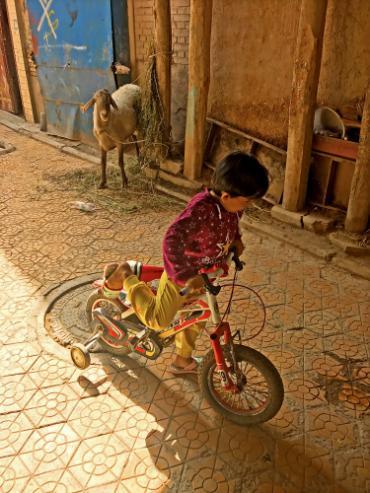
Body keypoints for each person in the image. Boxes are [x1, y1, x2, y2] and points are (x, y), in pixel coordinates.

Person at [103, 151, 269, 374]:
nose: (247, 207)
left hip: (206, 275)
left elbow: (231, 225)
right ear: (227, 196)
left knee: (197, 316)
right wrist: (184, 276)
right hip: (182, 277)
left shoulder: (230, 209)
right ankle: (126, 277)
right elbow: (171, 239)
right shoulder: (201, 211)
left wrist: (236, 241)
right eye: (247, 201)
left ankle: (182, 360)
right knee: (158, 320)